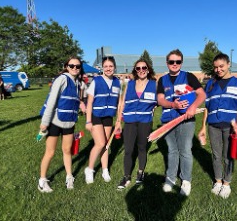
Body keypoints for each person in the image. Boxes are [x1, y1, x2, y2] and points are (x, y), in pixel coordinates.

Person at [157, 49, 206, 196]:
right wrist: (173, 105)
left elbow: (202, 94)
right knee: (172, 150)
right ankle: (171, 178)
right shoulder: (162, 80)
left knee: (185, 150)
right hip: (168, 120)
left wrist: (192, 107)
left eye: (177, 61)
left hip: (186, 120)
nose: (174, 64)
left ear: (181, 62)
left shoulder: (188, 77)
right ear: (167, 63)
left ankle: (186, 180)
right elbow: (160, 100)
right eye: (171, 62)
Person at [198, 53, 237, 199]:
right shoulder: (210, 84)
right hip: (213, 125)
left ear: (228, 64)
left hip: (230, 126)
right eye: (216, 67)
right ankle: (218, 181)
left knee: (228, 156)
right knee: (216, 155)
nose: (218, 70)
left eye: (221, 66)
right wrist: (203, 127)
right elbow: (207, 107)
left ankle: (227, 183)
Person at [38, 56, 84, 193]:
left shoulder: (77, 83)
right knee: (50, 152)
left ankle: (69, 177)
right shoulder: (62, 79)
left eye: (77, 66)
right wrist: (44, 123)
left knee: (67, 150)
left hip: (69, 122)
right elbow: (52, 101)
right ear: (66, 66)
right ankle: (42, 180)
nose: (75, 68)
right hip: (54, 122)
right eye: (72, 65)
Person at [116, 58, 157, 189]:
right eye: (138, 68)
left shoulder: (153, 84)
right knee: (128, 149)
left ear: (148, 69)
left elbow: (158, 101)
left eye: (144, 68)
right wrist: (118, 121)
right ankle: (126, 176)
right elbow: (121, 103)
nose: (141, 71)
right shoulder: (129, 84)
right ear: (135, 71)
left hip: (145, 121)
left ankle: (140, 173)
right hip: (129, 121)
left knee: (141, 148)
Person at [84, 56, 121, 184]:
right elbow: (89, 102)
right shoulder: (96, 81)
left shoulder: (117, 82)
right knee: (99, 143)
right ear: (102, 68)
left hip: (108, 116)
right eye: (106, 66)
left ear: (114, 67)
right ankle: (89, 169)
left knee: (106, 144)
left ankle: (105, 170)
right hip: (96, 115)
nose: (108, 68)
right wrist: (88, 121)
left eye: (111, 66)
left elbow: (119, 102)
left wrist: (119, 120)